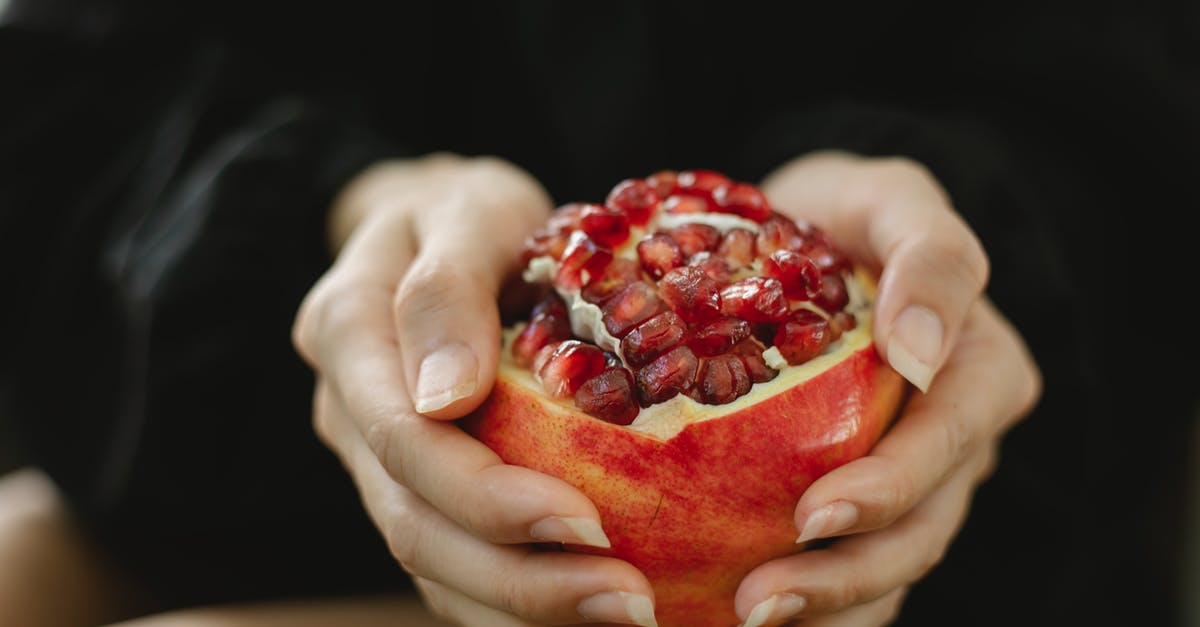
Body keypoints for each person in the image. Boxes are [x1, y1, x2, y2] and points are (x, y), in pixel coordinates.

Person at [0, 2, 1195, 626]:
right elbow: (81, 90)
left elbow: (1128, 104)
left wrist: (964, 215)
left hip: (925, 562)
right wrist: (343, 205)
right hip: (290, 430)